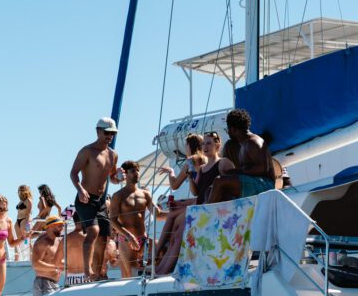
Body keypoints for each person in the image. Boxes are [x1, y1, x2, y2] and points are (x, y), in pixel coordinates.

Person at [155, 132, 233, 275]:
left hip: (210, 211)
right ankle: (160, 268)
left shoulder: (223, 163)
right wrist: (191, 178)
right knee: (177, 233)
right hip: (199, 209)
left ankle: (161, 265)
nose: (205, 146)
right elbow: (196, 192)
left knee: (177, 233)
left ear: (218, 145)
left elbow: (233, 185)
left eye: (209, 143)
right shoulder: (202, 168)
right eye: (204, 143)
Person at [70, 117, 124, 281]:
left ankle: (100, 273)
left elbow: (112, 178)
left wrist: (118, 178)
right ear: (98, 131)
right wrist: (80, 190)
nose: (109, 136)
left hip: (100, 201)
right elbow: (73, 173)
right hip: (85, 199)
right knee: (93, 231)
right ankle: (87, 272)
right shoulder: (87, 151)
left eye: (112, 134)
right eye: (107, 133)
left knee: (105, 237)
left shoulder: (113, 155)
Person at [110, 160, 167, 278]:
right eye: (132, 171)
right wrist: (128, 236)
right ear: (125, 174)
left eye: (137, 171)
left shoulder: (146, 194)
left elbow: (158, 214)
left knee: (163, 252)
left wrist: (179, 212)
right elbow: (113, 220)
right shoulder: (118, 195)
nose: (136, 173)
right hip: (126, 240)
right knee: (130, 275)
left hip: (143, 238)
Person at [210, 109, 276, 203]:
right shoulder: (243, 144)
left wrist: (236, 171)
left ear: (233, 129)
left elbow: (263, 168)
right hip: (255, 182)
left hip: (266, 185)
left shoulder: (253, 143)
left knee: (219, 181)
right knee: (210, 190)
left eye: (228, 129)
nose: (228, 132)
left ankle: (206, 214)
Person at [31, 216, 65, 296]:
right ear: (51, 226)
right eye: (60, 226)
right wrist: (56, 268)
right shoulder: (42, 242)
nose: (62, 228)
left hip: (53, 283)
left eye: (63, 226)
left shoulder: (58, 240)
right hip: (43, 284)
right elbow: (35, 264)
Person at [62, 210, 87, 286]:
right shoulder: (88, 238)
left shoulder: (65, 239)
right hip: (85, 276)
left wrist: (67, 266)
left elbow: (57, 262)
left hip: (70, 277)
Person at [14, 185, 33, 259]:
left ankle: (32, 258)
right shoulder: (21, 200)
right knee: (17, 240)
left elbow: (28, 213)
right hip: (18, 220)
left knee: (27, 240)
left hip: (25, 220)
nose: (20, 192)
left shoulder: (28, 200)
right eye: (19, 190)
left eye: (22, 190)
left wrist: (27, 224)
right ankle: (16, 258)